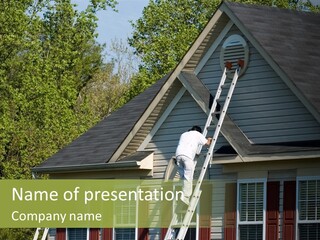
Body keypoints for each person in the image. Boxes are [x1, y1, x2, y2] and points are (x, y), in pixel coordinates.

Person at [175, 126, 212, 205]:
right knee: (188, 177)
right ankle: (185, 197)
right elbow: (207, 143)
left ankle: (182, 194)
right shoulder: (197, 134)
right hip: (187, 156)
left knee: (183, 177)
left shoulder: (184, 134)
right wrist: (209, 139)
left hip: (178, 155)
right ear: (199, 131)